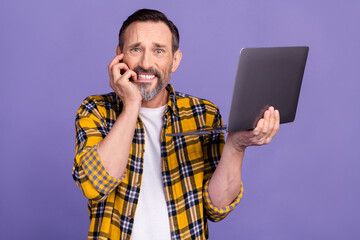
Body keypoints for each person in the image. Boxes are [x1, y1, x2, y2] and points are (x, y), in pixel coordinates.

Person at [72, 8, 280, 240]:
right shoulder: (95, 110)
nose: (146, 62)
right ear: (119, 55)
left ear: (174, 60)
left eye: (158, 50)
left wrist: (236, 146)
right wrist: (132, 104)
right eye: (135, 49)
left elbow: (217, 207)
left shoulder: (204, 114)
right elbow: (94, 185)